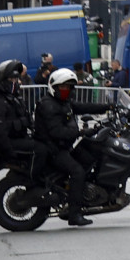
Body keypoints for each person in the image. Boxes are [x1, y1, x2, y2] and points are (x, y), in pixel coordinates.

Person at [34, 68, 104, 226]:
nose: (66, 90)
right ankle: (74, 214)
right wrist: (82, 131)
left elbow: (83, 107)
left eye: (69, 87)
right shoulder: (49, 105)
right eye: (63, 87)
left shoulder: (62, 102)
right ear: (55, 87)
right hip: (53, 149)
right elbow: (57, 131)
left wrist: (109, 107)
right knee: (77, 171)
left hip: (62, 146)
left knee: (87, 157)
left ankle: (77, 194)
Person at [0, 59, 46, 179]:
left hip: (18, 137)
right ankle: (35, 180)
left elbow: (26, 118)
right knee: (41, 149)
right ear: (2, 81)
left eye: (16, 79)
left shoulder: (13, 98)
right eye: (11, 80)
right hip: (6, 144)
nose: (15, 82)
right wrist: (9, 153)